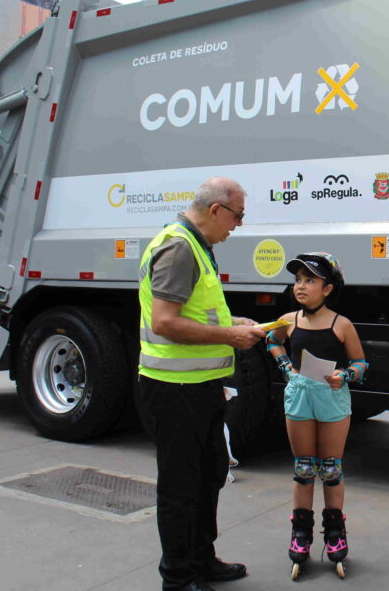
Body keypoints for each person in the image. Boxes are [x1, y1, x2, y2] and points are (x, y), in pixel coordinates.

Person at [137, 177, 266, 591]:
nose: (238, 225)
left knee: (209, 475)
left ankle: (201, 560)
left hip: (202, 387)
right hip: (174, 391)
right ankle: (178, 578)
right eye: (238, 215)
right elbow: (165, 322)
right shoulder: (179, 247)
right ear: (215, 210)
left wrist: (234, 324)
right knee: (181, 487)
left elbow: (198, 314)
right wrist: (230, 337)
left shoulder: (198, 245)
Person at [265, 252, 368, 579]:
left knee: (331, 468)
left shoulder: (342, 324)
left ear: (328, 288)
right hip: (299, 396)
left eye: (310, 280)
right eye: (298, 279)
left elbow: (361, 363)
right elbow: (272, 340)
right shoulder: (288, 320)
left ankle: (335, 533)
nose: (301, 286)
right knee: (303, 468)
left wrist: (345, 376)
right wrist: (284, 366)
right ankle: (301, 534)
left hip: (331, 398)